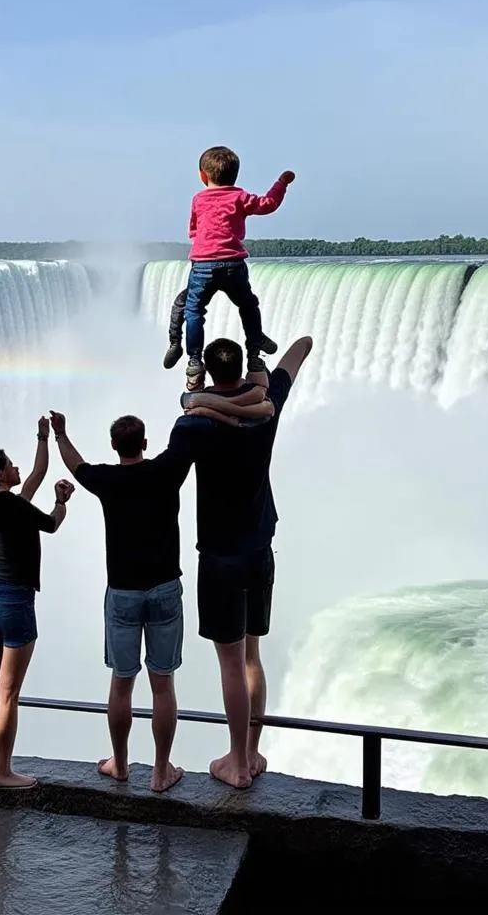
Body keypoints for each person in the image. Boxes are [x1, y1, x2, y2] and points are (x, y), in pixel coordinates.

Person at [167, 334, 313, 789]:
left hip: (219, 555)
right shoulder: (265, 408)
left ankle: (237, 765)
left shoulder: (193, 426)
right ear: (240, 371)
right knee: (252, 656)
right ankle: (250, 752)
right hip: (258, 551)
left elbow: (165, 478)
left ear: (208, 373)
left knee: (230, 662)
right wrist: (264, 360)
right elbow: (302, 347)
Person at [49, 409, 190, 793]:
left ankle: (122, 765)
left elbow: (76, 466)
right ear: (145, 443)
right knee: (163, 686)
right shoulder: (166, 470)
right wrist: (190, 407)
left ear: (114, 446)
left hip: (123, 594)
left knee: (122, 683)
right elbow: (185, 444)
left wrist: (61, 433)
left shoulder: (107, 480)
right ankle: (161, 773)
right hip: (164, 589)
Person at [0, 416, 75, 789]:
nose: (17, 468)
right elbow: (51, 523)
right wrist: (62, 502)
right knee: (8, 694)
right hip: (14, 600)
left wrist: (43, 437)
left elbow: (37, 472)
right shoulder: (14, 506)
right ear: (1, 474)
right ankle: (3, 772)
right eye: (10, 465)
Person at [169, 145, 296, 390]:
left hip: (203, 265)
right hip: (233, 265)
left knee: (194, 311)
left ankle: (194, 362)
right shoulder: (239, 197)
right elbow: (268, 204)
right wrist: (282, 183)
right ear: (235, 175)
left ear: (202, 176)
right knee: (248, 306)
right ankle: (254, 354)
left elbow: (193, 230)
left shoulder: (198, 199)